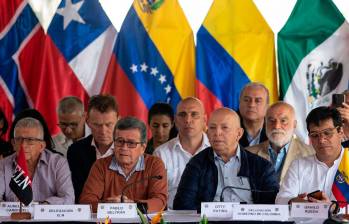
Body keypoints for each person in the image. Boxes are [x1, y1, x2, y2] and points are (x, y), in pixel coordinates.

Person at [173, 108, 278, 211]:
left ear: (239, 134)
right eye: (212, 128)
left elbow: (273, 208)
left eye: (225, 127)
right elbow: (182, 206)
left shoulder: (261, 166)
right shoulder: (197, 164)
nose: (217, 133)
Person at [79, 117, 167, 213]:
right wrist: (109, 207)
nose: (124, 148)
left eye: (131, 143)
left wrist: (133, 207)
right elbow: (86, 203)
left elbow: (160, 201)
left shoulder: (154, 164)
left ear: (143, 148)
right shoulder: (101, 166)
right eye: (120, 141)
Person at [276, 106, 345, 204]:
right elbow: (280, 200)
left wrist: (333, 208)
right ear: (309, 137)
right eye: (315, 135)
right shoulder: (299, 165)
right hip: (306, 218)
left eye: (327, 133)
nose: (321, 140)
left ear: (340, 132)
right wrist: (294, 202)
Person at [0, 117, 74, 204]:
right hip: (14, 216)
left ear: (41, 146)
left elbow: (68, 198)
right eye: (19, 139)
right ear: (13, 143)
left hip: (48, 217)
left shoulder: (58, 163)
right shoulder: (3, 165)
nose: (23, 145)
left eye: (30, 140)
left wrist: (43, 207)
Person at [154, 97, 210, 209]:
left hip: (211, 218)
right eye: (182, 114)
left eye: (194, 114)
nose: (188, 120)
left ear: (204, 119)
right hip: (172, 218)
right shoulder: (161, 154)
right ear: (175, 120)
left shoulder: (217, 150)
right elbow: (156, 197)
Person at [246, 102, 314, 184]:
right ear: (265, 124)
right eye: (271, 120)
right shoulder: (247, 154)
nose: (276, 126)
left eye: (283, 121)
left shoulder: (312, 154)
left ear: (294, 124)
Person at [67, 94, 119, 201]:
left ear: (118, 121)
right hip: (87, 213)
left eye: (109, 125)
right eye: (97, 125)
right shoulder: (76, 151)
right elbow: (77, 193)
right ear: (87, 122)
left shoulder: (131, 149)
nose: (103, 131)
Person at [238, 82, 269, 147]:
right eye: (246, 100)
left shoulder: (275, 127)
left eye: (258, 101)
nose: (251, 105)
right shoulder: (227, 125)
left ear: (267, 106)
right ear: (239, 103)